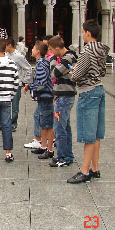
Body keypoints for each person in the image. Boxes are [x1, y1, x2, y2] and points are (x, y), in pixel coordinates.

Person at [67, 20, 109, 184]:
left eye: (83, 31)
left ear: (88, 33)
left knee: (88, 134)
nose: (82, 34)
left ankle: (84, 171)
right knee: (97, 133)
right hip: (99, 89)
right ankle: (95, 168)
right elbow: (103, 71)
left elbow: (76, 75)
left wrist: (73, 70)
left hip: (88, 92)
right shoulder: (101, 50)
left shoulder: (87, 52)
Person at [48, 36, 77, 167]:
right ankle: (67, 155)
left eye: (52, 50)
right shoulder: (65, 58)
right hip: (62, 95)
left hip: (65, 96)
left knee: (59, 127)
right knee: (65, 127)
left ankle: (63, 156)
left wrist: (53, 60)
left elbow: (54, 73)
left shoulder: (68, 57)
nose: (52, 53)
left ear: (58, 48)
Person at [24, 41, 54, 159]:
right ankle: (43, 146)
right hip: (45, 96)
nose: (31, 50)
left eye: (33, 48)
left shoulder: (41, 64)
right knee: (42, 121)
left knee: (47, 123)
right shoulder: (44, 62)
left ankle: (49, 148)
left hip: (45, 96)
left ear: (38, 51)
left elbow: (41, 82)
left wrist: (30, 86)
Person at [5, 37, 32, 131]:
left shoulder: (19, 56)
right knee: (5, 104)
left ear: (9, 45)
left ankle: (13, 123)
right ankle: (4, 122)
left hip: (16, 84)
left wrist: (25, 81)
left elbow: (28, 68)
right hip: (6, 83)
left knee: (15, 106)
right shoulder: (5, 55)